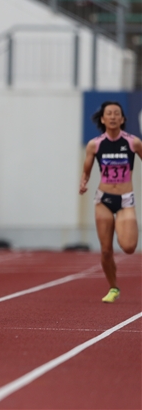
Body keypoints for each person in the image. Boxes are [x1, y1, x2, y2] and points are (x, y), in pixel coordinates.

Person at [79, 101, 141, 303]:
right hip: (103, 199)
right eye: (109, 114)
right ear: (103, 119)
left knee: (129, 246)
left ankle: (115, 283)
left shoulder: (133, 142)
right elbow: (87, 168)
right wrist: (84, 181)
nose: (113, 117)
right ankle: (113, 287)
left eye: (117, 113)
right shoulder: (95, 144)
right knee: (106, 250)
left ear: (122, 119)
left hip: (125, 200)